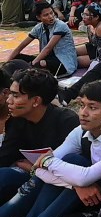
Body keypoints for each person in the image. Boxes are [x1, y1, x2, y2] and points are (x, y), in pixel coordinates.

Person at [0, 81, 101, 217]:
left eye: (93, 108)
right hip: (84, 194)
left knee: (72, 163)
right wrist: (75, 185)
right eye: (82, 105)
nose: (83, 113)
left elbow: (84, 177)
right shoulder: (81, 132)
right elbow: (40, 171)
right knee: (67, 166)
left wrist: (47, 161)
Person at [0, 68, 79, 204]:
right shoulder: (18, 119)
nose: (9, 100)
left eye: (16, 96)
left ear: (36, 101)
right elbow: (5, 156)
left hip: (60, 186)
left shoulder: (66, 122)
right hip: (33, 178)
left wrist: (33, 169)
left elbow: (73, 166)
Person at [8, 1, 78, 76]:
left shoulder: (61, 25)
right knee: (17, 58)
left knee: (40, 64)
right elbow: (21, 46)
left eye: (51, 13)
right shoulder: (38, 28)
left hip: (62, 62)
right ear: (38, 17)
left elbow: (47, 49)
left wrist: (31, 66)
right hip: (46, 59)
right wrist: (7, 63)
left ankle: (28, 74)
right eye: (46, 15)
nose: (51, 16)